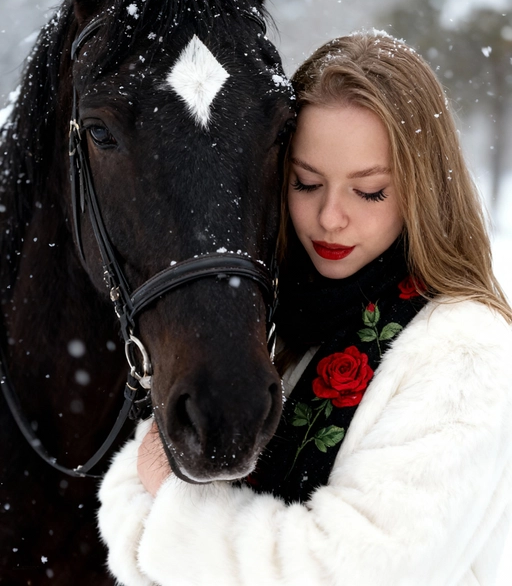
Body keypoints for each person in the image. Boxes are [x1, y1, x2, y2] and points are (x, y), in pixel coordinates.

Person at [97, 31, 512, 586]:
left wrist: (170, 500)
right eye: (306, 183)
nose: (330, 217)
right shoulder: (273, 315)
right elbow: (128, 528)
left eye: (369, 192)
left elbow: (355, 570)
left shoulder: (463, 350)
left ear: (424, 190)